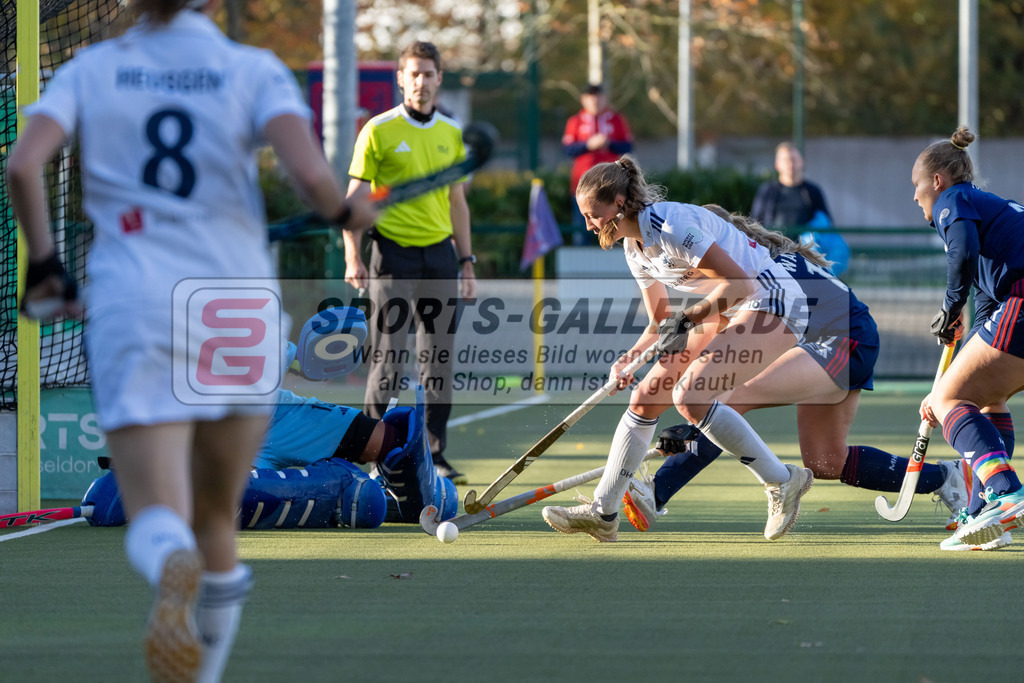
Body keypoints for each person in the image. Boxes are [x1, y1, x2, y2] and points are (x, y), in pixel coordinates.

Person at [6, 0, 376, 680]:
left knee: (155, 511)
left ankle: (169, 557)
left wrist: (45, 264)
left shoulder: (93, 67)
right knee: (217, 518)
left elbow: (23, 166)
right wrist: (350, 210)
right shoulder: (251, 68)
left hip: (133, 301)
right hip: (237, 307)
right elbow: (314, 181)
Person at [619, 206, 970, 542]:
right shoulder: (752, 268)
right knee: (826, 461)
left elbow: (710, 380)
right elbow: (705, 351)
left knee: (732, 398)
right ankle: (947, 477)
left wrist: (691, 426)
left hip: (844, 340)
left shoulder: (750, 275)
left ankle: (656, 492)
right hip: (839, 340)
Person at [540, 155, 814, 543]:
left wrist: (688, 318)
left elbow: (740, 284)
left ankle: (782, 480)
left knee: (690, 396)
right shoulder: (633, 248)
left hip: (774, 301)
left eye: (593, 215)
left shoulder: (671, 226)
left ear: (619, 203)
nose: (589, 225)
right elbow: (659, 321)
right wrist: (628, 360)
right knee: (645, 396)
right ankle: (603, 513)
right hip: (727, 309)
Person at [343, 40, 473, 485]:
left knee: (438, 360)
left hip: (440, 258)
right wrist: (352, 255)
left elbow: (457, 203)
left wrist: (466, 262)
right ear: (401, 79)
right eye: (413, 74)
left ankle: (435, 455)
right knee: (387, 359)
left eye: (428, 74)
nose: (421, 81)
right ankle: (368, 456)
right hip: (391, 257)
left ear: (439, 79)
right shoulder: (377, 130)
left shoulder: (452, 133)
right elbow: (355, 200)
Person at [913, 125, 1024, 550]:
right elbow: (987, 309)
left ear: (937, 180)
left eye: (916, 185)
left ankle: (1005, 491)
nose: (915, 196)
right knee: (986, 400)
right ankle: (982, 511)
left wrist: (949, 305)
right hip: (1012, 300)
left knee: (949, 401)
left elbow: (961, 251)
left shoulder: (953, 199)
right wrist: (961, 329)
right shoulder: (988, 211)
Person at [561, 83, 633, 235]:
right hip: (582, 183)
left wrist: (608, 143)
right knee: (583, 228)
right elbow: (568, 149)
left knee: (613, 227)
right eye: (591, 97)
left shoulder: (616, 119)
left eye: (598, 97)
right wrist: (588, 145)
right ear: (583, 99)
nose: (595, 101)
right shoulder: (575, 121)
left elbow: (627, 145)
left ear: (604, 98)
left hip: (611, 183)